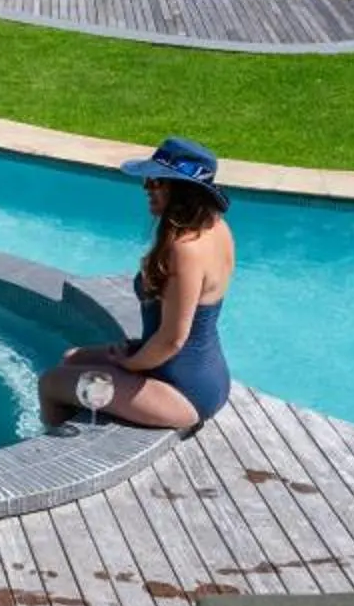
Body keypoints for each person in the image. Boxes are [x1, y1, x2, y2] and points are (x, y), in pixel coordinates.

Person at [43, 135, 233, 430]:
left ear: (182, 191)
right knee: (71, 358)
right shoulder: (217, 228)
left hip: (184, 392)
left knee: (52, 384)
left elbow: (173, 340)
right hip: (202, 374)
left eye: (157, 182)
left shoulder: (185, 249)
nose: (146, 188)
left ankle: (53, 461)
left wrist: (129, 364)